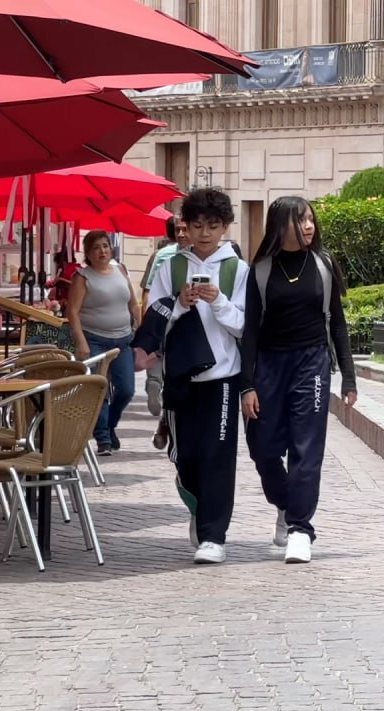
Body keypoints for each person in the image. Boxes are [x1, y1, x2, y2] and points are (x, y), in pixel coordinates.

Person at [240, 196, 358, 564]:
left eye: (311, 219)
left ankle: (300, 530)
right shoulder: (259, 271)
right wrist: (247, 385)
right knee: (263, 449)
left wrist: (349, 378)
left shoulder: (323, 265)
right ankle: (287, 504)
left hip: (311, 363)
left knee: (307, 447)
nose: (309, 226)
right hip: (269, 366)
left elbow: (337, 323)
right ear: (280, 225)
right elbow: (249, 334)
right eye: (301, 220)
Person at [148, 188, 249, 565]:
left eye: (213, 225)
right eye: (197, 225)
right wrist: (179, 305)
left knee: (218, 456)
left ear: (225, 227)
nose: (205, 233)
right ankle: (195, 502)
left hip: (224, 376)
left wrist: (218, 301)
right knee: (186, 457)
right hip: (181, 375)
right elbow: (152, 316)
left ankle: (213, 535)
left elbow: (245, 327)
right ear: (184, 227)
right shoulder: (170, 267)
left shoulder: (238, 270)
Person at [66, 230, 142, 456]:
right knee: (97, 389)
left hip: (122, 340)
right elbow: (72, 311)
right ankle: (103, 438)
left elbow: (133, 303)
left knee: (127, 389)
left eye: (105, 246)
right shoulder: (83, 277)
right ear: (88, 253)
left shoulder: (120, 270)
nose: (102, 251)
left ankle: (110, 423)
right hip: (94, 339)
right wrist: (81, 342)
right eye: (96, 247)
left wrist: (140, 326)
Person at [142, 216, 189, 429]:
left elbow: (147, 291)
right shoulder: (166, 257)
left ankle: (154, 384)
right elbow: (149, 290)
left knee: (161, 357)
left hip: (175, 317)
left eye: (184, 229)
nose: (180, 234)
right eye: (178, 230)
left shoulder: (163, 255)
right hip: (171, 315)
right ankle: (164, 412)